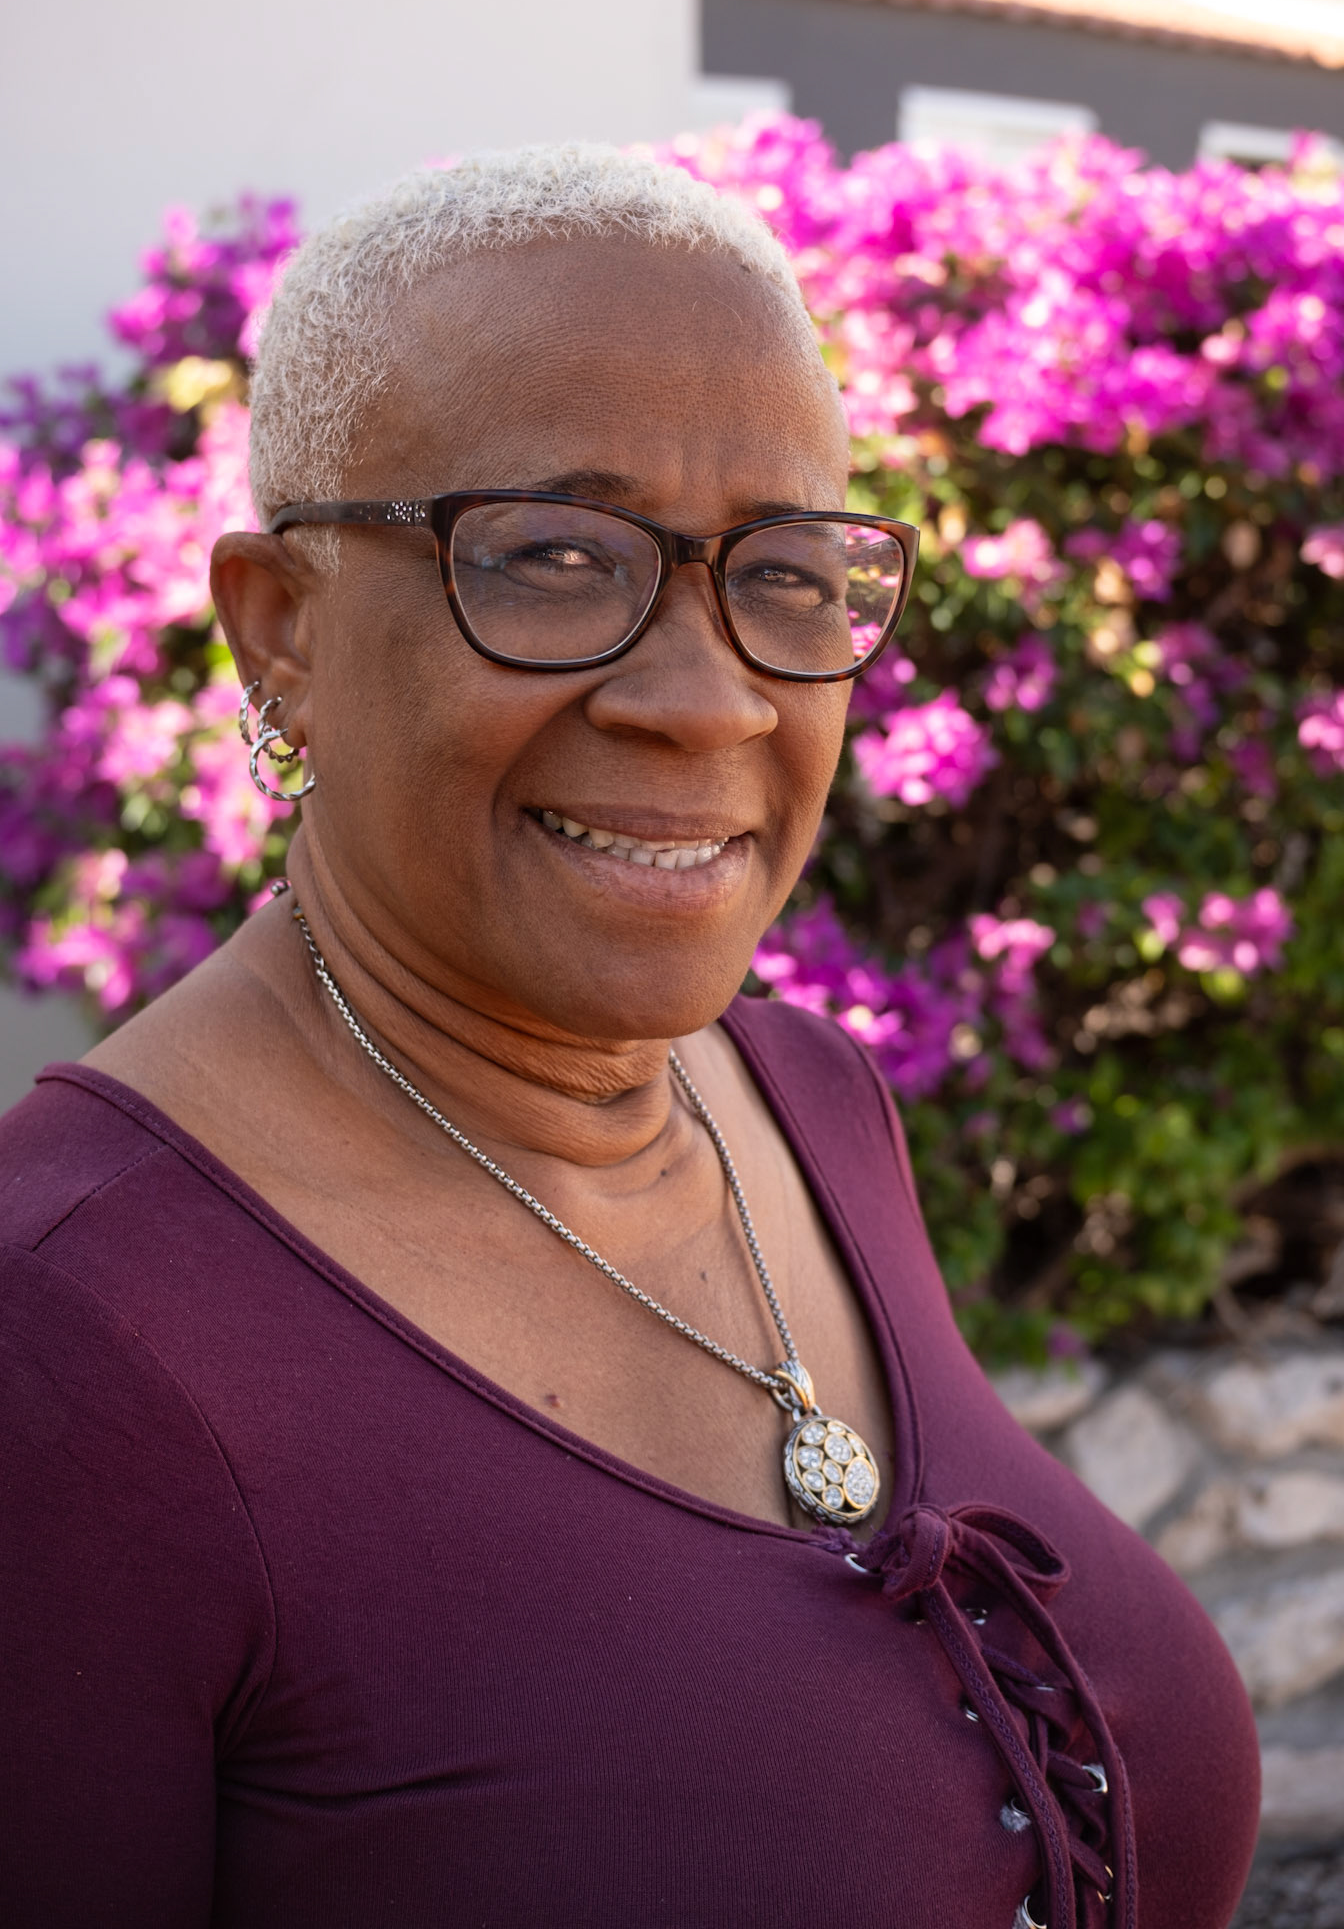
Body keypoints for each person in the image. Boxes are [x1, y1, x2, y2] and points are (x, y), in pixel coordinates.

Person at [0, 146, 1258, 1929]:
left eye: (789, 572)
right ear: (282, 634)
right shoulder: (65, 1345)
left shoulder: (807, 1101)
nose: (708, 700)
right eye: (552, 558)